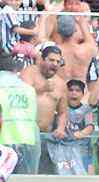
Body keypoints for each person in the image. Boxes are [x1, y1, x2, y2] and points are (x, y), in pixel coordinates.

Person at [21, 45, 69, 174]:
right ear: (42, 59)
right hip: (27, 136)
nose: (55, 64)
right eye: (51, 60)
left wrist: (60, 128)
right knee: (27, 175)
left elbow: (63, 112)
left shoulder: (61, 84)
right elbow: (22, 96)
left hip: (48, 137)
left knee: (46, 177)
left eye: (58, 62)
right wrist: (42, 88)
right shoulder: (29, 72)